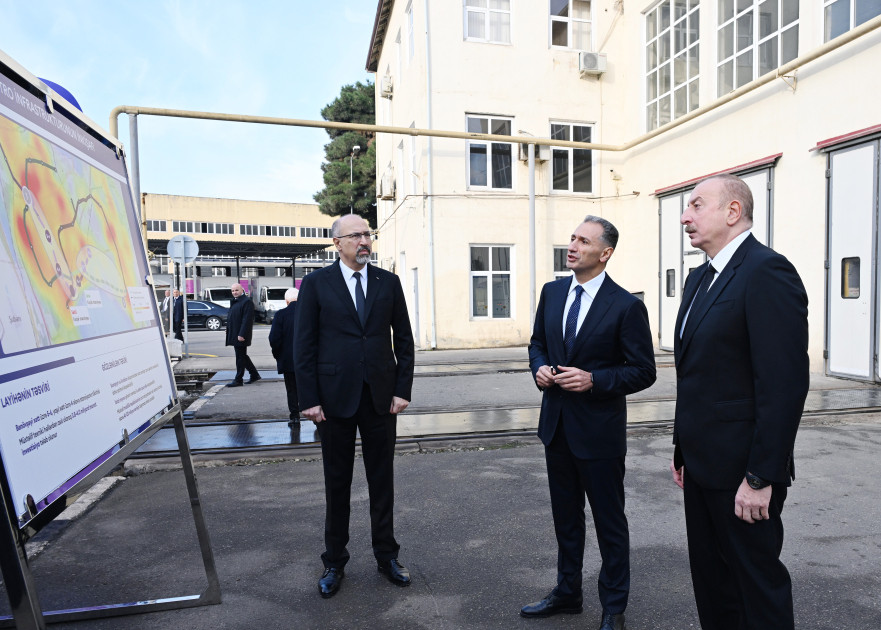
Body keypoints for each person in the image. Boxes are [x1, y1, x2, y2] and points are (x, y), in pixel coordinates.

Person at [670, 174, 809, 630]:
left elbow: (783, 384)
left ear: (733, 212)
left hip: (743, 472)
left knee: (756, 586)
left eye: (696, 205)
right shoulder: (699, 279)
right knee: (712, 584)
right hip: (701, 465)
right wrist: (681, 449)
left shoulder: (766, 271)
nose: (685, 217)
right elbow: (697, 376)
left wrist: (761, 476)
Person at [523, 216, 656, 630]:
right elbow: (537, 344)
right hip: (557, 427)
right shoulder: (553, 291)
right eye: (572, 238)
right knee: (566, 519)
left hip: (599, 434)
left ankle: (614, 607)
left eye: (583, 240)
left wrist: (595, 380)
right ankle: (567, 593)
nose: (573, 245)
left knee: (609, 522)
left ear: (605, 252)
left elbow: (643, 370)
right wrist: (541, 368)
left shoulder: (626, 305)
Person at [294, 214, 414, 599]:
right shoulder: (316, 284)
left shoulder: (388, 282)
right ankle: (334, 561)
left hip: (380, 398)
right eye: (357, 235)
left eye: (368, 234)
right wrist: (308, 399)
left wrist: (402, 389)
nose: (365, 240)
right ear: (337, 243)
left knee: (382, 482)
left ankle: (387, 556)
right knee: (337, 483)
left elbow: (405, 342)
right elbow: (304, 347)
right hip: (333, 400)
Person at [268, 287, 300, 427]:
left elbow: (274, 339)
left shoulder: (281, 315)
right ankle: (318, 420)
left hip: (289, 361)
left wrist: (278, 356)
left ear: (286, 301)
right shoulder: (310, 313)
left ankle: (295, 417)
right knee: (312, 388)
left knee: (292, 389)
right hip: (311, 361)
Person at [226, 283, 261, 387]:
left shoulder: (247, 302)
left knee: (240, 357)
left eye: (236, 290)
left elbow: (247, 320)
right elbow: (233, 317)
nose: (234, 292)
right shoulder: (235, 301)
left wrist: (241, 334)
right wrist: (228, 330)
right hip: (235, 333)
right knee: (242, 356)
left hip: (241, 335)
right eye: (232, 291)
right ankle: (254, 374)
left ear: (242, 290)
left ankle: (238, 379)